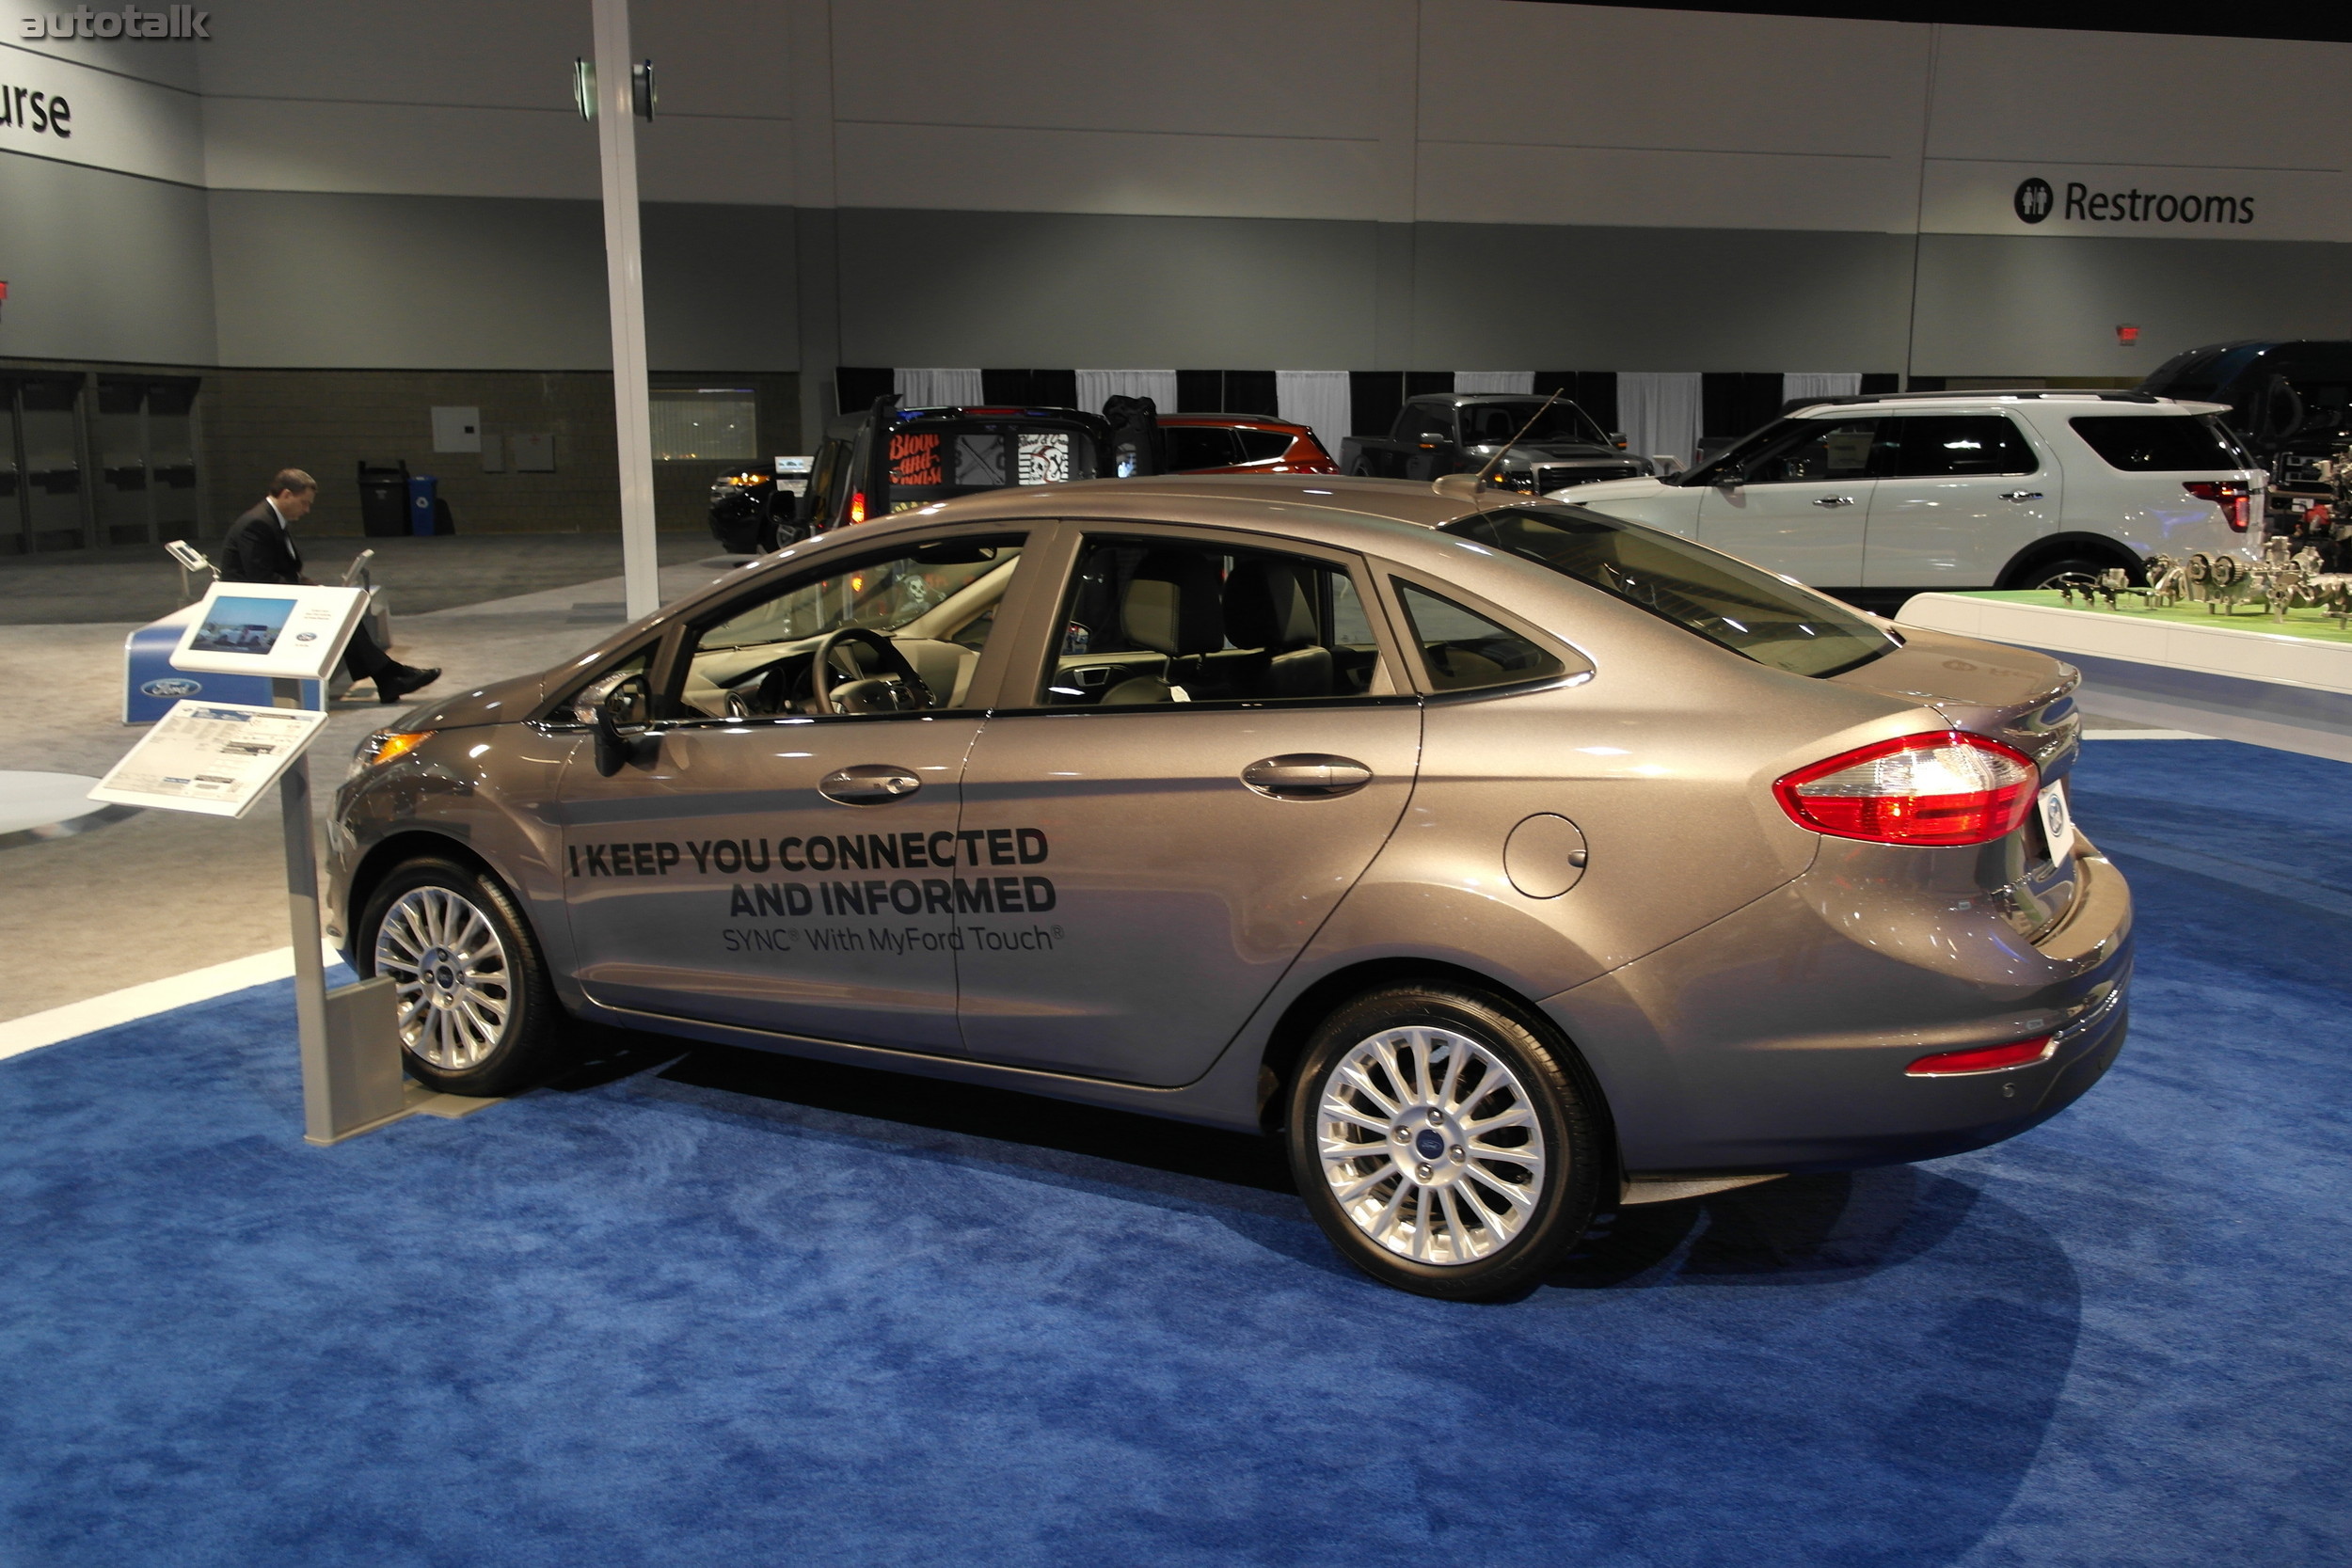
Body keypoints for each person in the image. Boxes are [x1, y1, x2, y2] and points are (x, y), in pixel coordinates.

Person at [217, 469, 440, 705]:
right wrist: (309, 592)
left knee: (342, 608)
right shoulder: (257, 523)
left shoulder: (269, 520)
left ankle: (389, 676)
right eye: (304, 503)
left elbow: (282, 572)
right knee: (337, 612)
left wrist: (312, 587)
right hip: (253, 607)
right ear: (286, 494)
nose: (306, 510)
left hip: (270, 598)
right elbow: (261, 579)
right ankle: (389, 675)